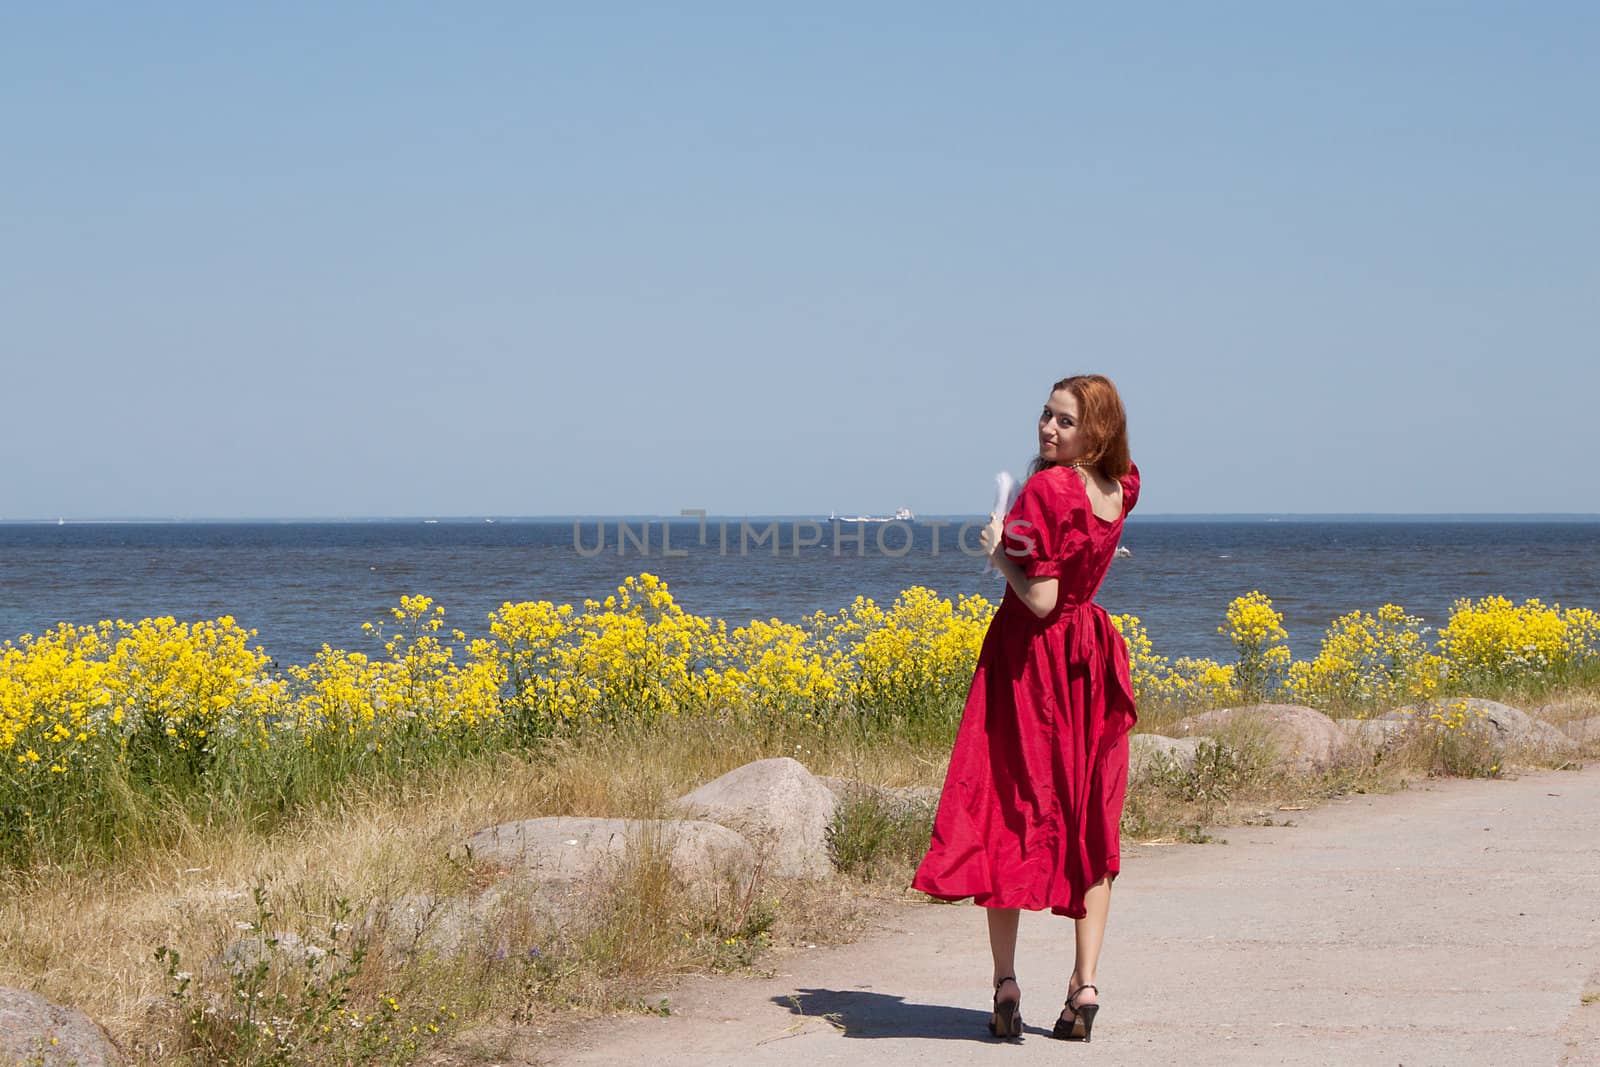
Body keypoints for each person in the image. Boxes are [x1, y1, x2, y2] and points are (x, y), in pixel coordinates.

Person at [910, 373, 1141, 1043]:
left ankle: (1005, 981)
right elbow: (1082, 558)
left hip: (1032, 664)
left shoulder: (1047, 489)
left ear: (1093, 431)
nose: (1048, 427)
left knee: (1008, 808)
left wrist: (997, 554)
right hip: (1089, 658)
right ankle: (1085, 985)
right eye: (1046, 414)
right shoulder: (1120, 483)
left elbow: (1039, 600)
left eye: (1065, 421)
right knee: (1090, 817)